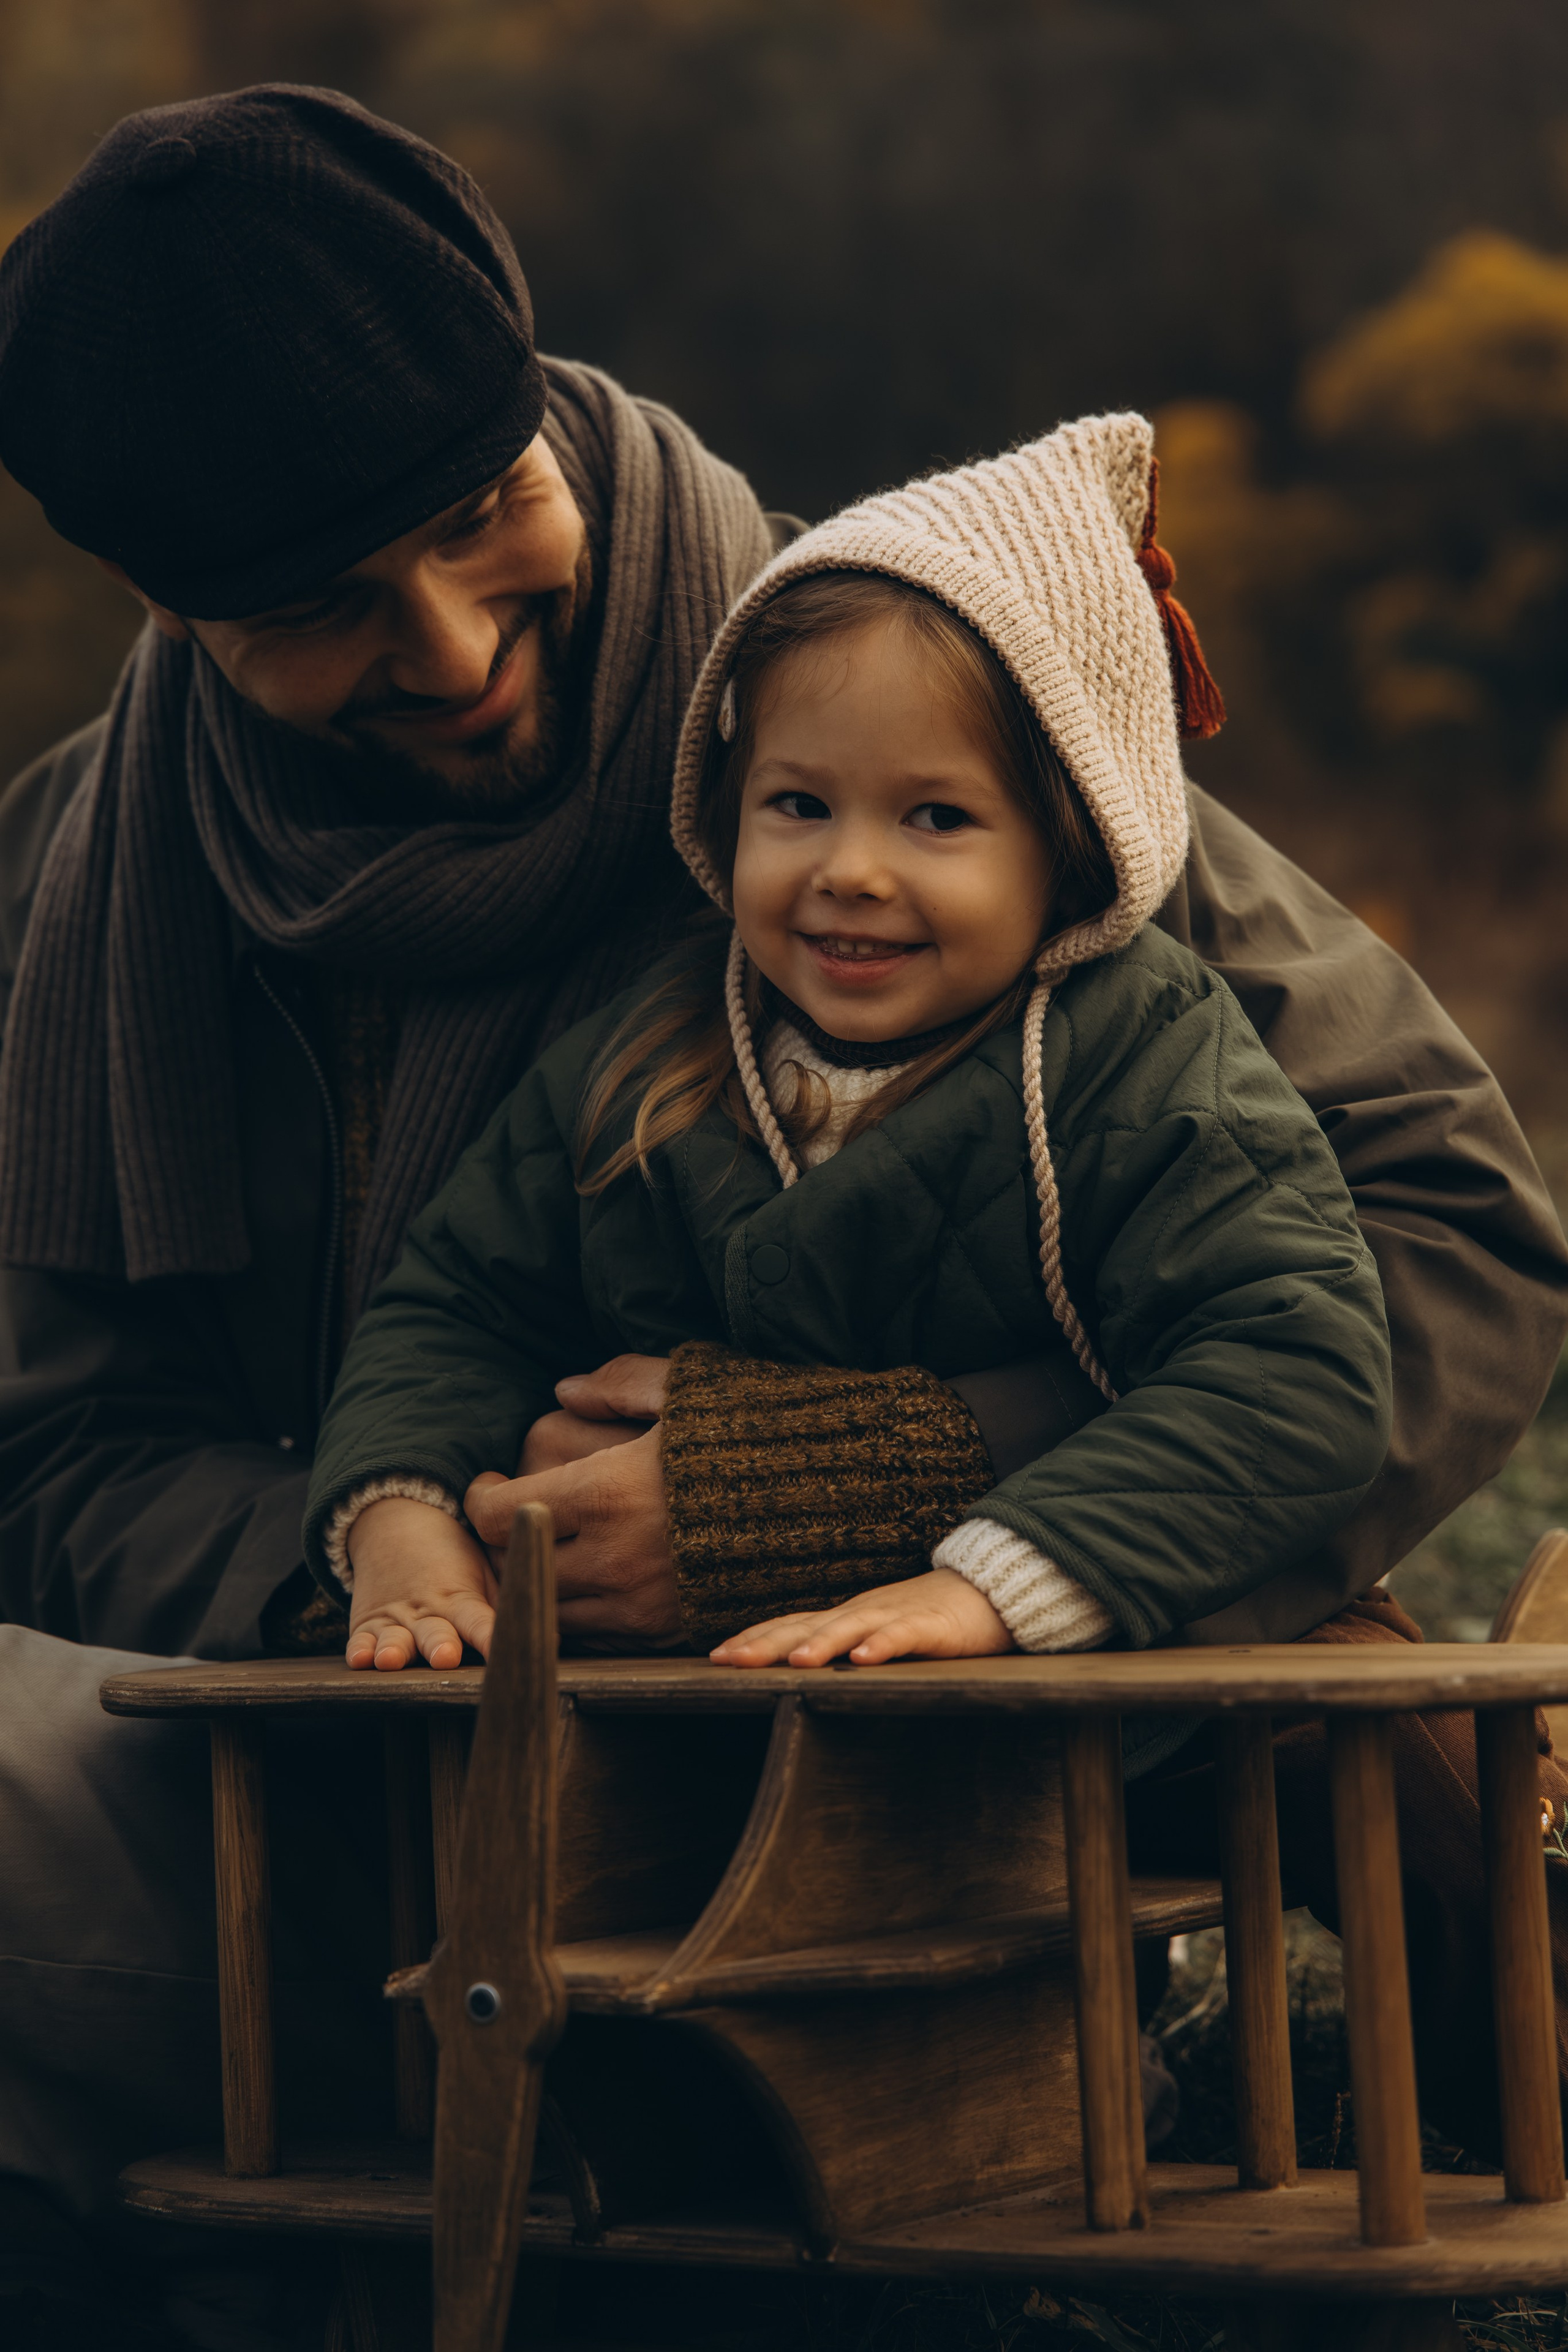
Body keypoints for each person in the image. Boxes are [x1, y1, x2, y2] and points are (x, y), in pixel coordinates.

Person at [0, 77, 1561, 2338]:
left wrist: (869, 1482)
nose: (448, 649)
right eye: (327, 608)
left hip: (924, 1748)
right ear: (169, 610)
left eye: (478, 512)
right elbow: (56, 1444)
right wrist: (415, 1563)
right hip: (361, 1758)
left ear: (541, 404)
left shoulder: (893, 697)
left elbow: (1446, 1229)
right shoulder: (75, 892)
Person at [305, 413, 1392, 1721]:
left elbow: (1294, 1370)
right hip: (695, 1716)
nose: (851, 870)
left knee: (1374, 1738)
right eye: (798, 805)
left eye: (936, 818)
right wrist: (399, 1512)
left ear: (1066, 841)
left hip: (1053, 1710)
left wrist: (1000, 1583)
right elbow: (457, 1304)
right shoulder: (653, 1047)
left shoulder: (1136, 1059)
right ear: (727, 805)